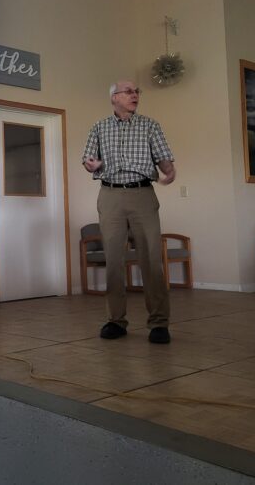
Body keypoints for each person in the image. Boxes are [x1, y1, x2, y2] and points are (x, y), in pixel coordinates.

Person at [82, 80, 176, 344]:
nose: (135, 95)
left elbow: (163, 157)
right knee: (113, 260)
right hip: (110, 194)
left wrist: (169, 170)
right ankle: (116, 321)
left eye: (137, 92)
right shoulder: (99, 127)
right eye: (129, 92)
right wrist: (92, 164)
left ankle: (159, 323)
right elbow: (88, 161)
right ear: (114, 98)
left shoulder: (150, 125)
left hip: (142, 194)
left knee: (151, 260)